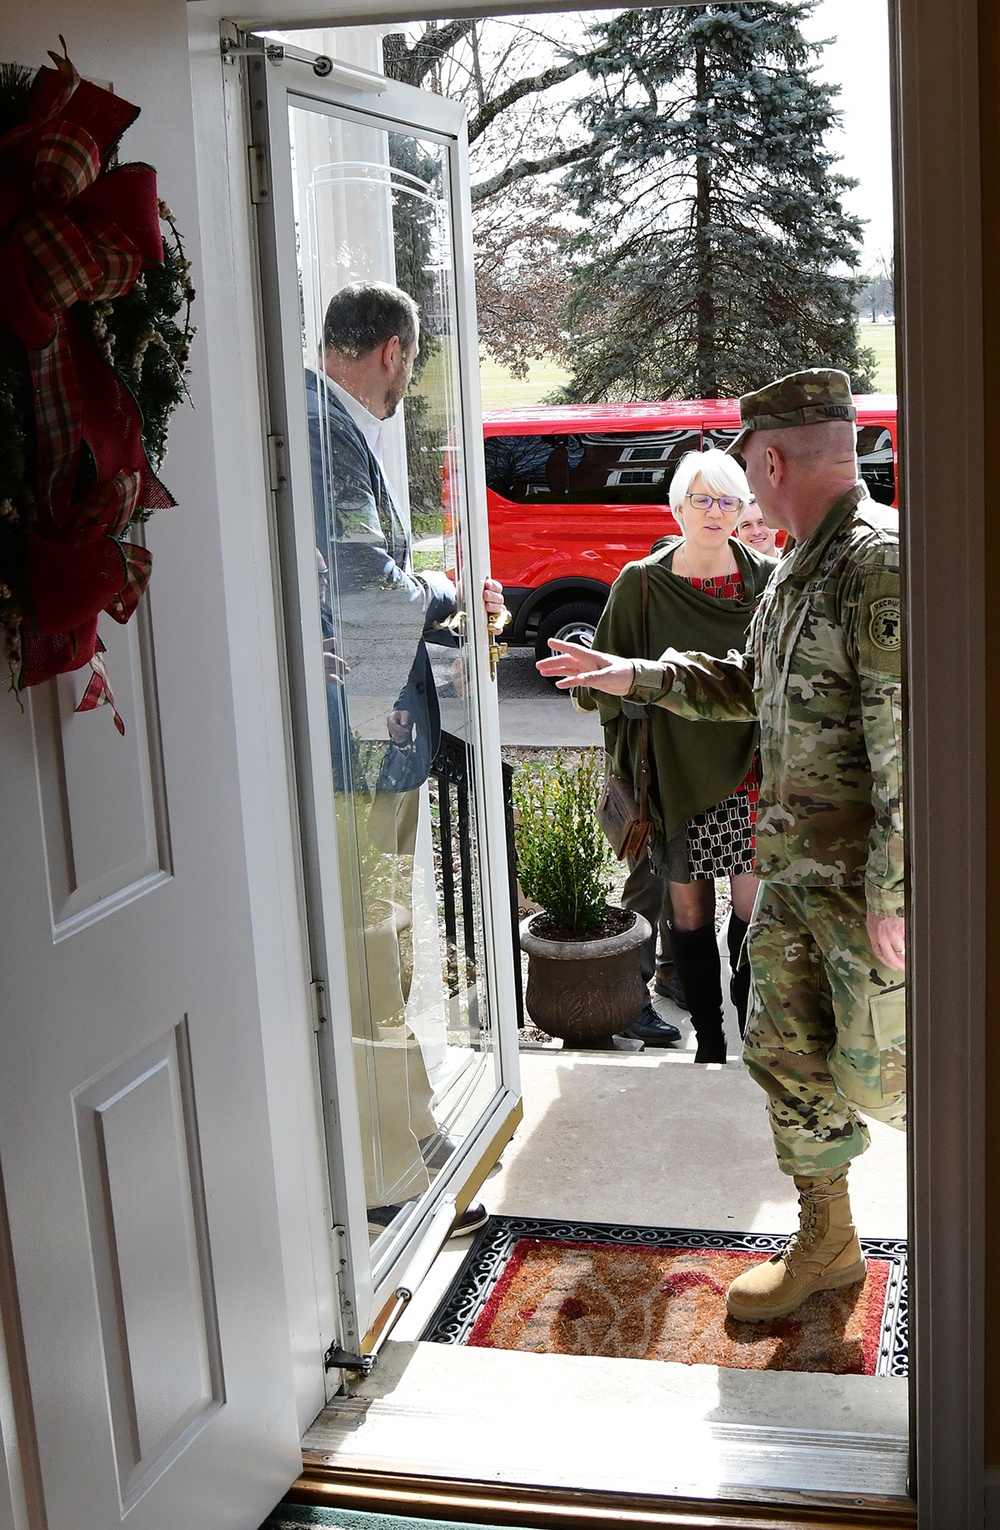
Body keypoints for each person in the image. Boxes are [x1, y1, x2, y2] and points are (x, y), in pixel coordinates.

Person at [538, 369, 905, 1321]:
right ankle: (828, 1242)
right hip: (792, 882)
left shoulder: (878, 563)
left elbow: (909, 739)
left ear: (773, 460)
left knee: (903, 1076)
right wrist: (634, 674)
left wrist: (901, 893)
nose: (746, 482)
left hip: (866, 896)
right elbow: (753, 677)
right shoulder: (797, 562)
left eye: (749, 464)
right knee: (787, 1056)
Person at [307, 279, 504, 1237]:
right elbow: (363, 579)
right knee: (369, 954)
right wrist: (448, 588)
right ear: (391, 352)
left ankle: (407, 1127)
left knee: (384, 954)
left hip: (371, 742)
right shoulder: (324, 431)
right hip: (358, 749)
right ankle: (383, 1170)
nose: (406, 382)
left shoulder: (328, 423)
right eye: (411, 365)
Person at [575, 448, 775, 1060]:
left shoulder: (765, 580)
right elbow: (599, 685)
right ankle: (709, 1040)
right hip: (674, 775)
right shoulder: (640, 583)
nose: (714, 513)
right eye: (702, 500)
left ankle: (744, 1025)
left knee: (750, 909)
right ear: (679, 506)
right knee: (687, 915)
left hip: (751, 771)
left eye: (727, 501)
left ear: (743, 508)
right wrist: (591, 681)